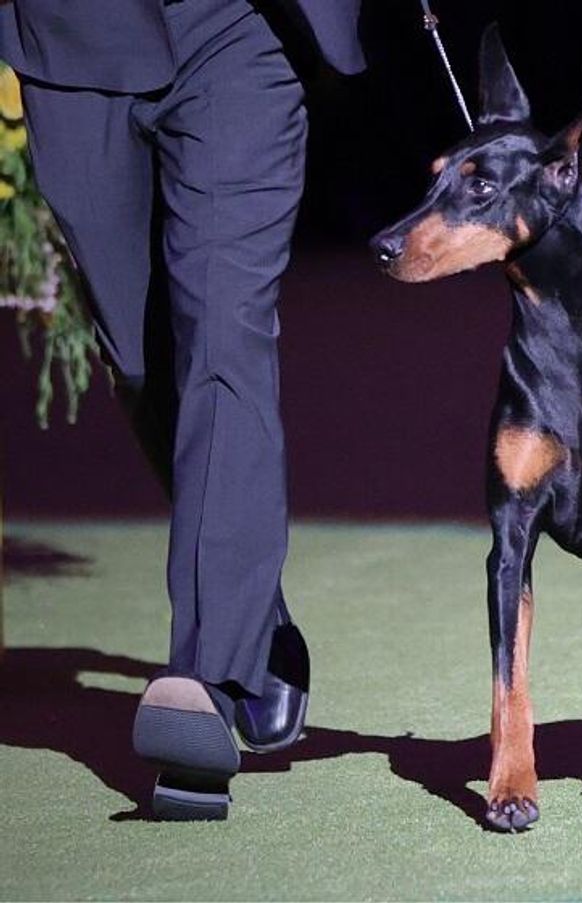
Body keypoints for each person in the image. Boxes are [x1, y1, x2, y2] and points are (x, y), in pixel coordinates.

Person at [0, 0, 365, 819]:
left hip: (241, 25)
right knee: (138, 355)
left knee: (224, 333)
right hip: (77, 36)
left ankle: (204, 677)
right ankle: (249, 613)